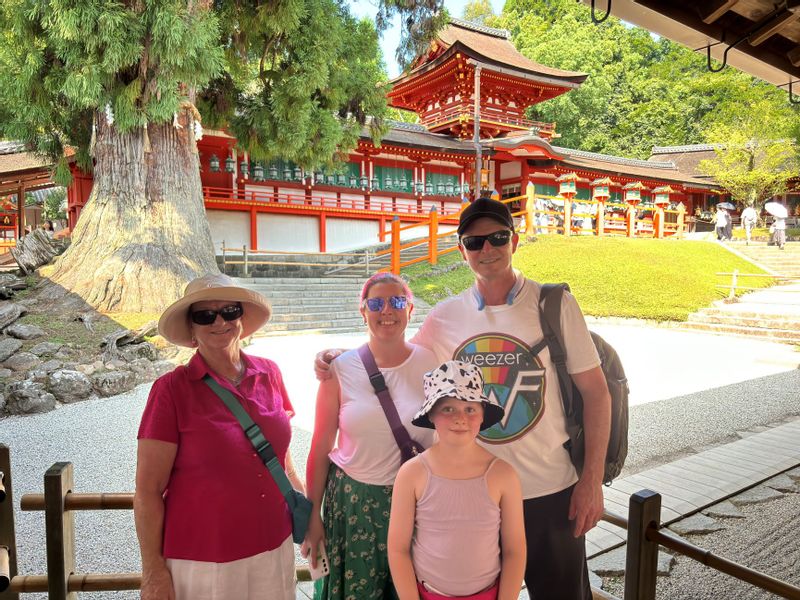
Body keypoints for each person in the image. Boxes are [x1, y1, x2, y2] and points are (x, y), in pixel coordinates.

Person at [317, 197, 611, 600]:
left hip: (549, 489)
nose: (486, 249)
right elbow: (395, 356)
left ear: (515, 241)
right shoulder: (446, 316)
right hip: (473, 492)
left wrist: (592, 480)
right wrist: (338, 358)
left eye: (497, 237)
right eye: (474, 242)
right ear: (461, 250)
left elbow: (596, 392)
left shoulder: (554, 305)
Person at [134, 273, 303, 600]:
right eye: (205, 315)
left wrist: (307, 516)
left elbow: (284, 462)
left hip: (274, 545)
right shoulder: (170, 391)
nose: (219, 321)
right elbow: (147, 491)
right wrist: (153, 570)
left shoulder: (270, 372)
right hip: (205, 557)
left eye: (229, 311)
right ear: (192, 329)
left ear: (241, 318)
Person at [303, 272, 438, 600]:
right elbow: (321, 446)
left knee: (412, 591)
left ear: (411, 310)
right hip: (355, 505)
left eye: (397, 301)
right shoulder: (340, 369)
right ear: (363, 312)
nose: (386, 310)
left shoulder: (432, 362)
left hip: (419, 503)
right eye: (376, 303)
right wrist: (311, 517)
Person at [387, 360, 526, 600]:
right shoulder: (412, 474)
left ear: (483, 414)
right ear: (431, 415)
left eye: (470, 409)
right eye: (448, 409)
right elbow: (398, 549)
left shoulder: (504, 475)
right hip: (428, 594)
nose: (460, 418)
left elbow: (515, 550)